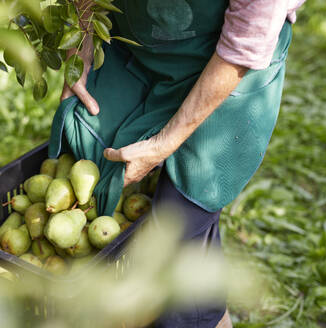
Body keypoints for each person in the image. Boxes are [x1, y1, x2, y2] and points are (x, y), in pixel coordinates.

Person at [52, 1, 305, 327]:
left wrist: (164, 143)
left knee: (179, 255)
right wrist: (80, 51)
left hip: (227, 69)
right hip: (134, 50)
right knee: (90, 159)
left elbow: (247, 39)